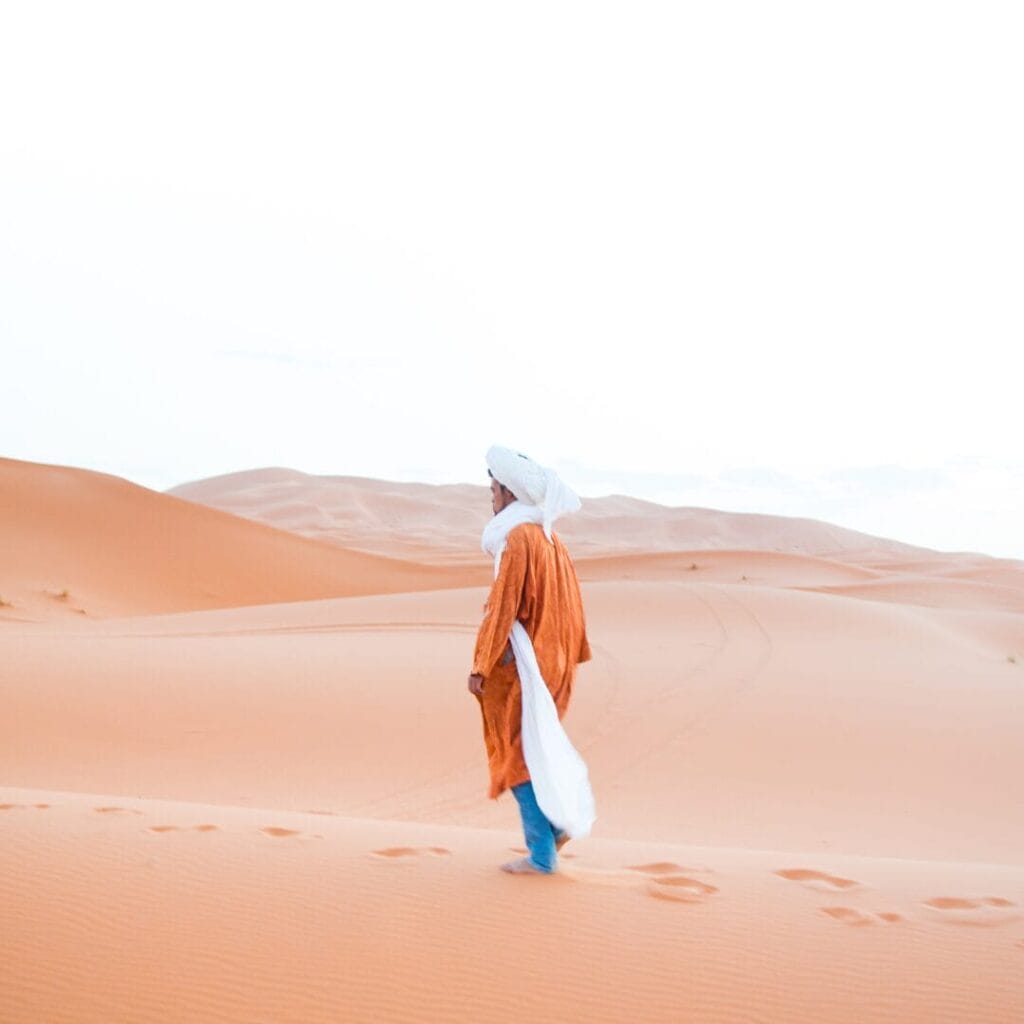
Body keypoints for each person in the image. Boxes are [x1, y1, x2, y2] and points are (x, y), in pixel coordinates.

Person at [467, 446, 592, 874]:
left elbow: (502, 606)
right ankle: (553, 829)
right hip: (554, 661)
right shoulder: (551, 538)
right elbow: (574, 605)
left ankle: (543, 851)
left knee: (516, 756)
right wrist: (571, 656)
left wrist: (481, 665)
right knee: (533, 750)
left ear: (508, 491)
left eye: (494, 487)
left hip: (524, 665)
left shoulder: (518, 538)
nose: (491, 494)